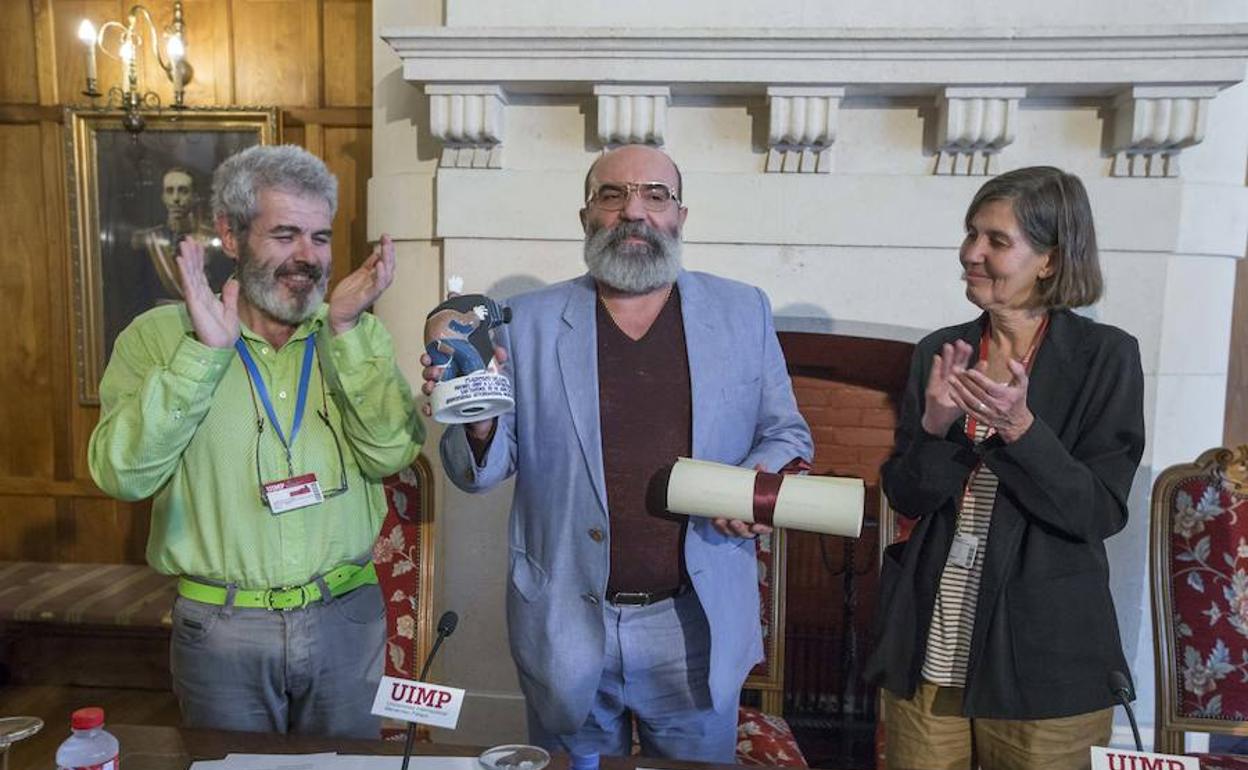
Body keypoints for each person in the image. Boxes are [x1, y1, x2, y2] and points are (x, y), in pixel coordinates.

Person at [425, 144, 812, 761]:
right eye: (613, 195)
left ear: (681, 215)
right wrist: (475, 426)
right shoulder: (525, 320)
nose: (635, 212)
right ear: (586, 217)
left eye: (655, 196)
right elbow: (483, 473)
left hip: (695, 623)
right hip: (566, 620)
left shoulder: (742, 311)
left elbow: (788, 433)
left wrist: (753, 486)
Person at [88, 145, 424, 739]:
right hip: (222, 627)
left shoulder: (352, 332)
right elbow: (123, 475)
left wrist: (345, 332)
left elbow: (392, 453)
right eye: (285, 234)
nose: (307, 257)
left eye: (319, 238)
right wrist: (204, 355)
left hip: (345, 617)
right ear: (231, 234)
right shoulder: (161, 338)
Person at [864, 166, 1146, 770]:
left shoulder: (1106, 358)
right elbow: (906, 497)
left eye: (996, 240)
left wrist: (1021, 429)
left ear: (1049, 259)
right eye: (971, 234)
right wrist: (937, 431)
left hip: (1044, 657)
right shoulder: (941, 351)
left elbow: (1096, 510)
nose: (971, 253)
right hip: (932, 645)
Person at [104, 167, 231, 356]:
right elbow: (138, 299)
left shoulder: (214, 242)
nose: (176, 198)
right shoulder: (147, 242)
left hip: (204, 336)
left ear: (195, 196)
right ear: (163, 197)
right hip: (160, 333)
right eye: (170, 191)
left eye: (183, 190)